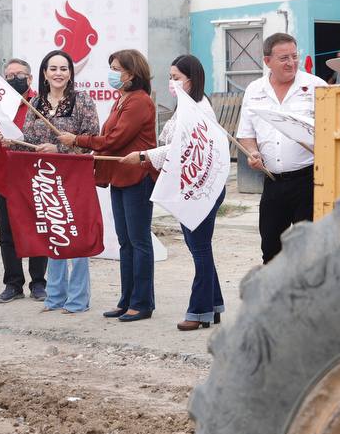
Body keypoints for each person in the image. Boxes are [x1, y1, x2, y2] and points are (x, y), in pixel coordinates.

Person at [119, 55, 224, 331]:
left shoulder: (200, 109)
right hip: (191, 187)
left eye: (176, 77)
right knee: (199, 247)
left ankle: (199, 311)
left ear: (192, 79)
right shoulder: (186, 107)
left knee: (199, 248)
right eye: (170, 77)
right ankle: (213, 305)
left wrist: (143, 155)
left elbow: (180, 148)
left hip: (201, 188)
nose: (171, 82)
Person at [61, 49, 156, 322]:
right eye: (111, 67)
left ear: (132, 73)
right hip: (119, 176)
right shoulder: (121, 99)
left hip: (137, 177)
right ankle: (126, 300)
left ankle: (142, 302)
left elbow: (113, 139)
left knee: (138, 242)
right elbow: (110, 138)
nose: (112, 73)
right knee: (126, 243)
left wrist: (79, 140)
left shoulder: (139, 101)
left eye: (117, 69)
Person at [14, 50, 99, 314]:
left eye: (64, 68)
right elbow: (29, 139)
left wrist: (59, 150)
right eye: (53, 68)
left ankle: (77, 300)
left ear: (71, 73)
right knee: (54, 234)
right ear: (44, 73)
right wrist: (15, 143)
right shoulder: (35, 103)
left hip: (74, 178)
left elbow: (91, 140)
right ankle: (54, 296)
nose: (58, 73)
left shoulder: (83, 101)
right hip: (45, 179)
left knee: (76, 236)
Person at [237, 32, 327, 263]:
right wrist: (253, 153)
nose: (291, 63)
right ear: (267, 61)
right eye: (284, 58)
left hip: (308, 181)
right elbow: (247, 135)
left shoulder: (316, 86)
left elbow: (331, 129)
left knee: (308, 249)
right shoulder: (254, 90)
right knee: (270, 246)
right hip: (273, 181)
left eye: (294, 56)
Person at [0, 58, 48, 304]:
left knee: (38, 231)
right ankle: (13, 283)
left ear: (30, 78)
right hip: (6, 177)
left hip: (34, 178)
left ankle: (38, 283)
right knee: (8, 234)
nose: (13, 78)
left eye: (18, 74)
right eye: (9, 75)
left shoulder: (41, 104)